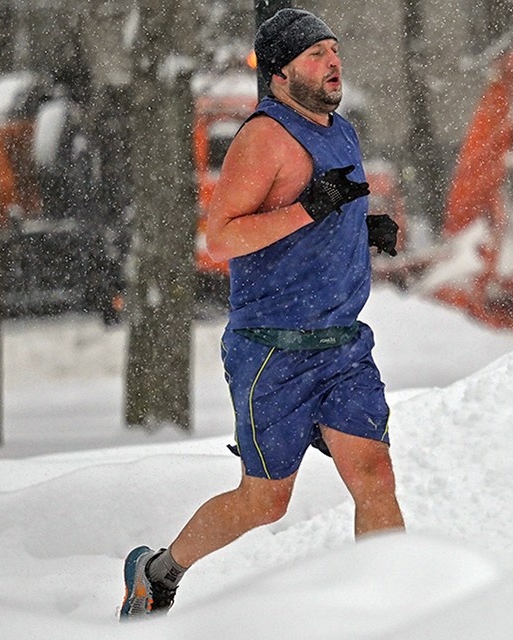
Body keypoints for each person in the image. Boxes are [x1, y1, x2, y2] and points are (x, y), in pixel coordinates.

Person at [118, 8, 404, 620]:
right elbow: (219, 239)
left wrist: (360, 227)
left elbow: (329, 210)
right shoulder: (264, 138)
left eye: (333, 51)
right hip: (274, 350)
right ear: (279, 74)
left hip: (342, 344)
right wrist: (309, 211)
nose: (333, 63)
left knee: (374, 474)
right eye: (315, 55)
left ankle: (395, 613)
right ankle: (157, 572)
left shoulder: (342, 131)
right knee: (265, 500)